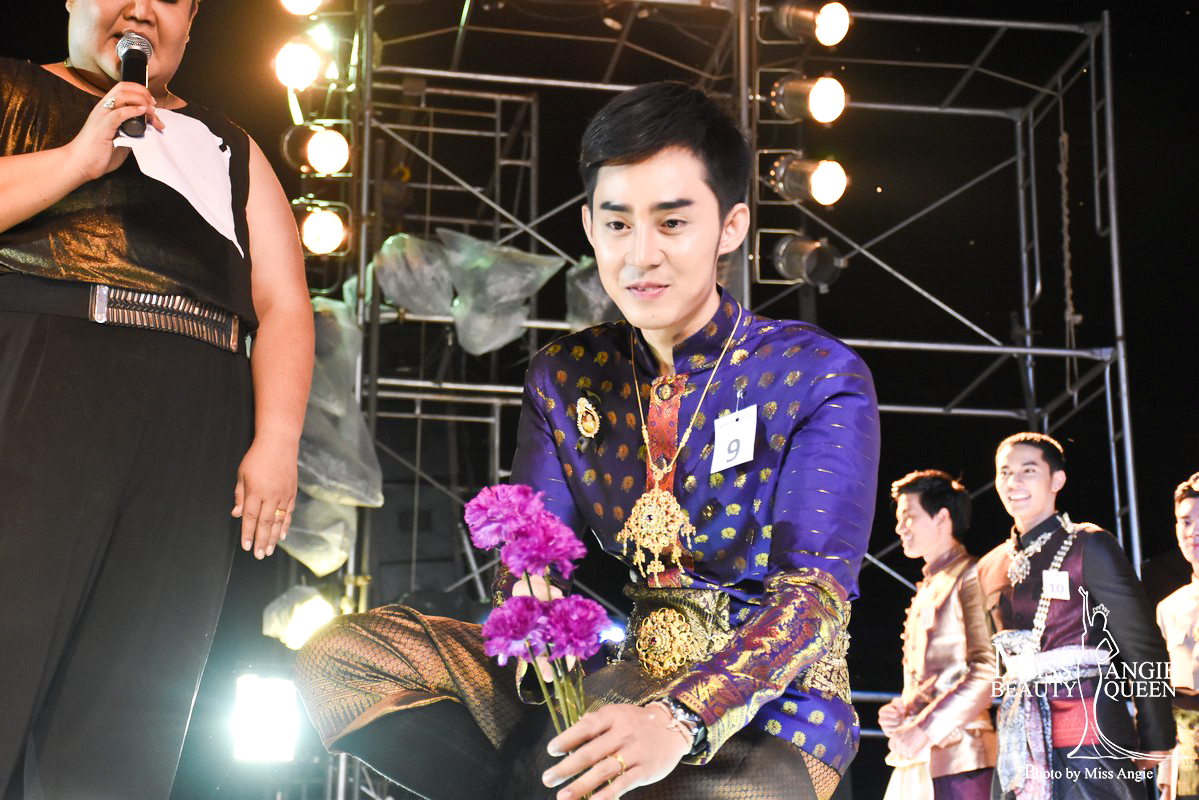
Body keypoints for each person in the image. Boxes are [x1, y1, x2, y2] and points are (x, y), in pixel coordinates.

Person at [295, 81, 880, 800]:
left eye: (672, 223)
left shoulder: (813, 373)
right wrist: (530, 604)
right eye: (617, 224)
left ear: (730, 227)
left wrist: (678, 720)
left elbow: (812, 600)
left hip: (775, 714)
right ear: (589, 226)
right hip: (620, 681)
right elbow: (531, 555)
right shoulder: (566, 375)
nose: (641, 256)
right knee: (343, 660)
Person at [0, 1, 314, 797]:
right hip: (44, 373)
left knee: (132, 700)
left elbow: (283, 302)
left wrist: (276, 439)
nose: (141, 8)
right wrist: (76, 159)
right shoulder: (12, 88)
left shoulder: (229, 142)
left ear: (192, 19)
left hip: (196, 414)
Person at [976, 433, 1174, 799]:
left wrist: (1157, 731)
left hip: (1090, 736)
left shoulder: (1088, 545)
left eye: (1028, 470)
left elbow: (1142, 644)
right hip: (1020, 742)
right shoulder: (990, 566)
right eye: (1004, 472)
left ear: (1057, 480)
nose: (1013, 482)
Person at [880, 470, 997, 800]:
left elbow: (988, 671)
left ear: (942, 517)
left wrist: (923, 727)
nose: (900, 528)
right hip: (920, 754)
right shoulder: (930, 584)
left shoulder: (970, 575)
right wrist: (902, 710)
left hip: (962, 757)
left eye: (908, 516)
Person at [1155, 472, 1199, 800]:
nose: (1193, 531)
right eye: (1185, 521)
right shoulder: (1168, 608)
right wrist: (1167, 773)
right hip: (1187, 756)